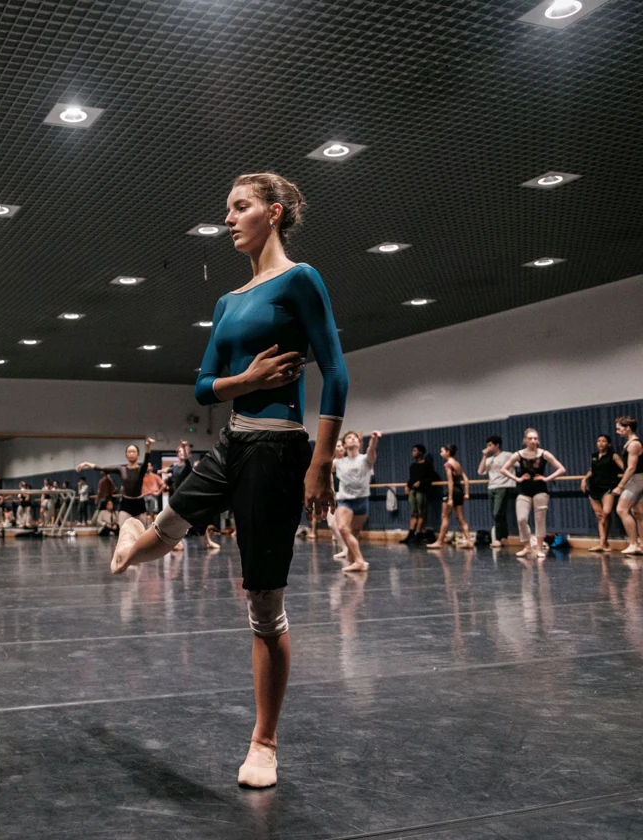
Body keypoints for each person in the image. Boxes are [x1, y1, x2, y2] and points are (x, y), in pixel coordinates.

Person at [107, 172, 347, 789]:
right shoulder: (226, 302)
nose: (229, 219)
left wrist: (321, 463)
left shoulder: (301, 280)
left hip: (279, 450)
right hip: (234, 439)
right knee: (162, 531)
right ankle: (132, 531)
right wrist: (249, 382)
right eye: (227, 209)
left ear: (274, 213)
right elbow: (203, 384)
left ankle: (264, 742)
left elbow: (336, 374)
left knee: (264, 603)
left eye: (239, 208)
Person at [500, 428, 567, 560]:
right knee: (521, 518)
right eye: (530, 438)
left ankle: (539, 548)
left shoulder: (544, 454)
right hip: (524, 490)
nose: (533, 441)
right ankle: (527, 546)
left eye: (535, 438)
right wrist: (517, 479)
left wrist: (547, 478)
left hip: (540, 490)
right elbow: (503, 469)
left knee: (540, 519)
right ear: (525, 440)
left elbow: (561, 469)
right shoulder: (518, 454)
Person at [78, 437, 155, 528]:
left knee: (142, 532)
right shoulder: (121, 469)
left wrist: (148, 446)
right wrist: (86, 463)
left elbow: (146, 460)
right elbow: (103, 468)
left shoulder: (141, 470)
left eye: (133, 451)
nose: (131, 454)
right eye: (129, 452)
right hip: (126, 503)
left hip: (139, 504)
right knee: (123, 530)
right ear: (126, 455)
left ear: (138, 455)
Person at [334, 430, 381, 572]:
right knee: (342, 528)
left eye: (355, 437)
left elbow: (371, 449)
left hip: (362, 500)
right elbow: (322, 469)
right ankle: (360, 561)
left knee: (354, 532)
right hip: (345, 500)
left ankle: (352, 557)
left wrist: (373, 438)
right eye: (349, 437)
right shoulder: (338, 462)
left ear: (359, 443)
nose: (353, 439)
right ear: (345, 444)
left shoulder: (366, 459)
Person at [582, 434, 624, 552]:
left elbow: (624, 468)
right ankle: (603, 543)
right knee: (599, 515)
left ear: (608, 444)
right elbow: (592, 470)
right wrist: (584, 479)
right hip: (594, 488)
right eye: (599, 441)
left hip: (608, 487)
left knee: (606, 512)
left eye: (603, 441)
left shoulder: (613, 455)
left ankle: (604, 542)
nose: (600, 443)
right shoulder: (594, 456)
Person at [426, 444, 472, 549]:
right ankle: (469, 541)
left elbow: (450, 482)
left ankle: (439, 542)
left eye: (442, 451)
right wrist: (466, 493)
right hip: (459, 491)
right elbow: (466, 479)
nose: (440, 453)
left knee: (445, 517)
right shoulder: (457, 464)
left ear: (448, 452)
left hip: (453, 492)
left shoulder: (448, 464)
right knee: (460, 518)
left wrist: (450, 498)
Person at [613, 416, 643, 555]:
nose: (618, 432)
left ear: (628, 428)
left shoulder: (633, 444)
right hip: (638, 479)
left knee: (621, 509)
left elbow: (631, 468)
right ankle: (641, 544)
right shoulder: (630, 443)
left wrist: (620, 485)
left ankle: (633, 543)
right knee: (638, 512)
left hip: (637, 479)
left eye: (619, 429)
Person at [478, 435, 514, 548]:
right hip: (491, 487)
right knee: (499, 514)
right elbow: (480, 471)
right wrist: (484, 456)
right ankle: (504, 537)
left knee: (497, 512)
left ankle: (498, 538)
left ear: (497, 445)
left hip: (503, 486)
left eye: (490, 445)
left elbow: (519, 463)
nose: (488, 447)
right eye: (487, 445)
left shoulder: (507, 455)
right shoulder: (489, 459)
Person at [402, 444, 432, 544]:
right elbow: (411, 478)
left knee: (421, 512)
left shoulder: (427, 465)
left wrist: (421, 482)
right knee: (413, 512)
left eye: (415, 450)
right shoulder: (413, 466)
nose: (413, 452)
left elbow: (430, 478)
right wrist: (407, 485)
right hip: (412, 490)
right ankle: (411, 534)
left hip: (421, 491)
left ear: (420, 452)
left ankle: (418, 534)